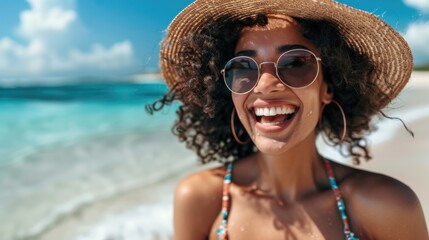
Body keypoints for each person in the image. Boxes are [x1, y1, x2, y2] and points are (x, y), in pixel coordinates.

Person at [148, 0, 429, 239]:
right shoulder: (199, 199)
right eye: (244, 67)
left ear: (327, 88)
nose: (265, 84)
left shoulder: (389, 206)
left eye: (295, 63)